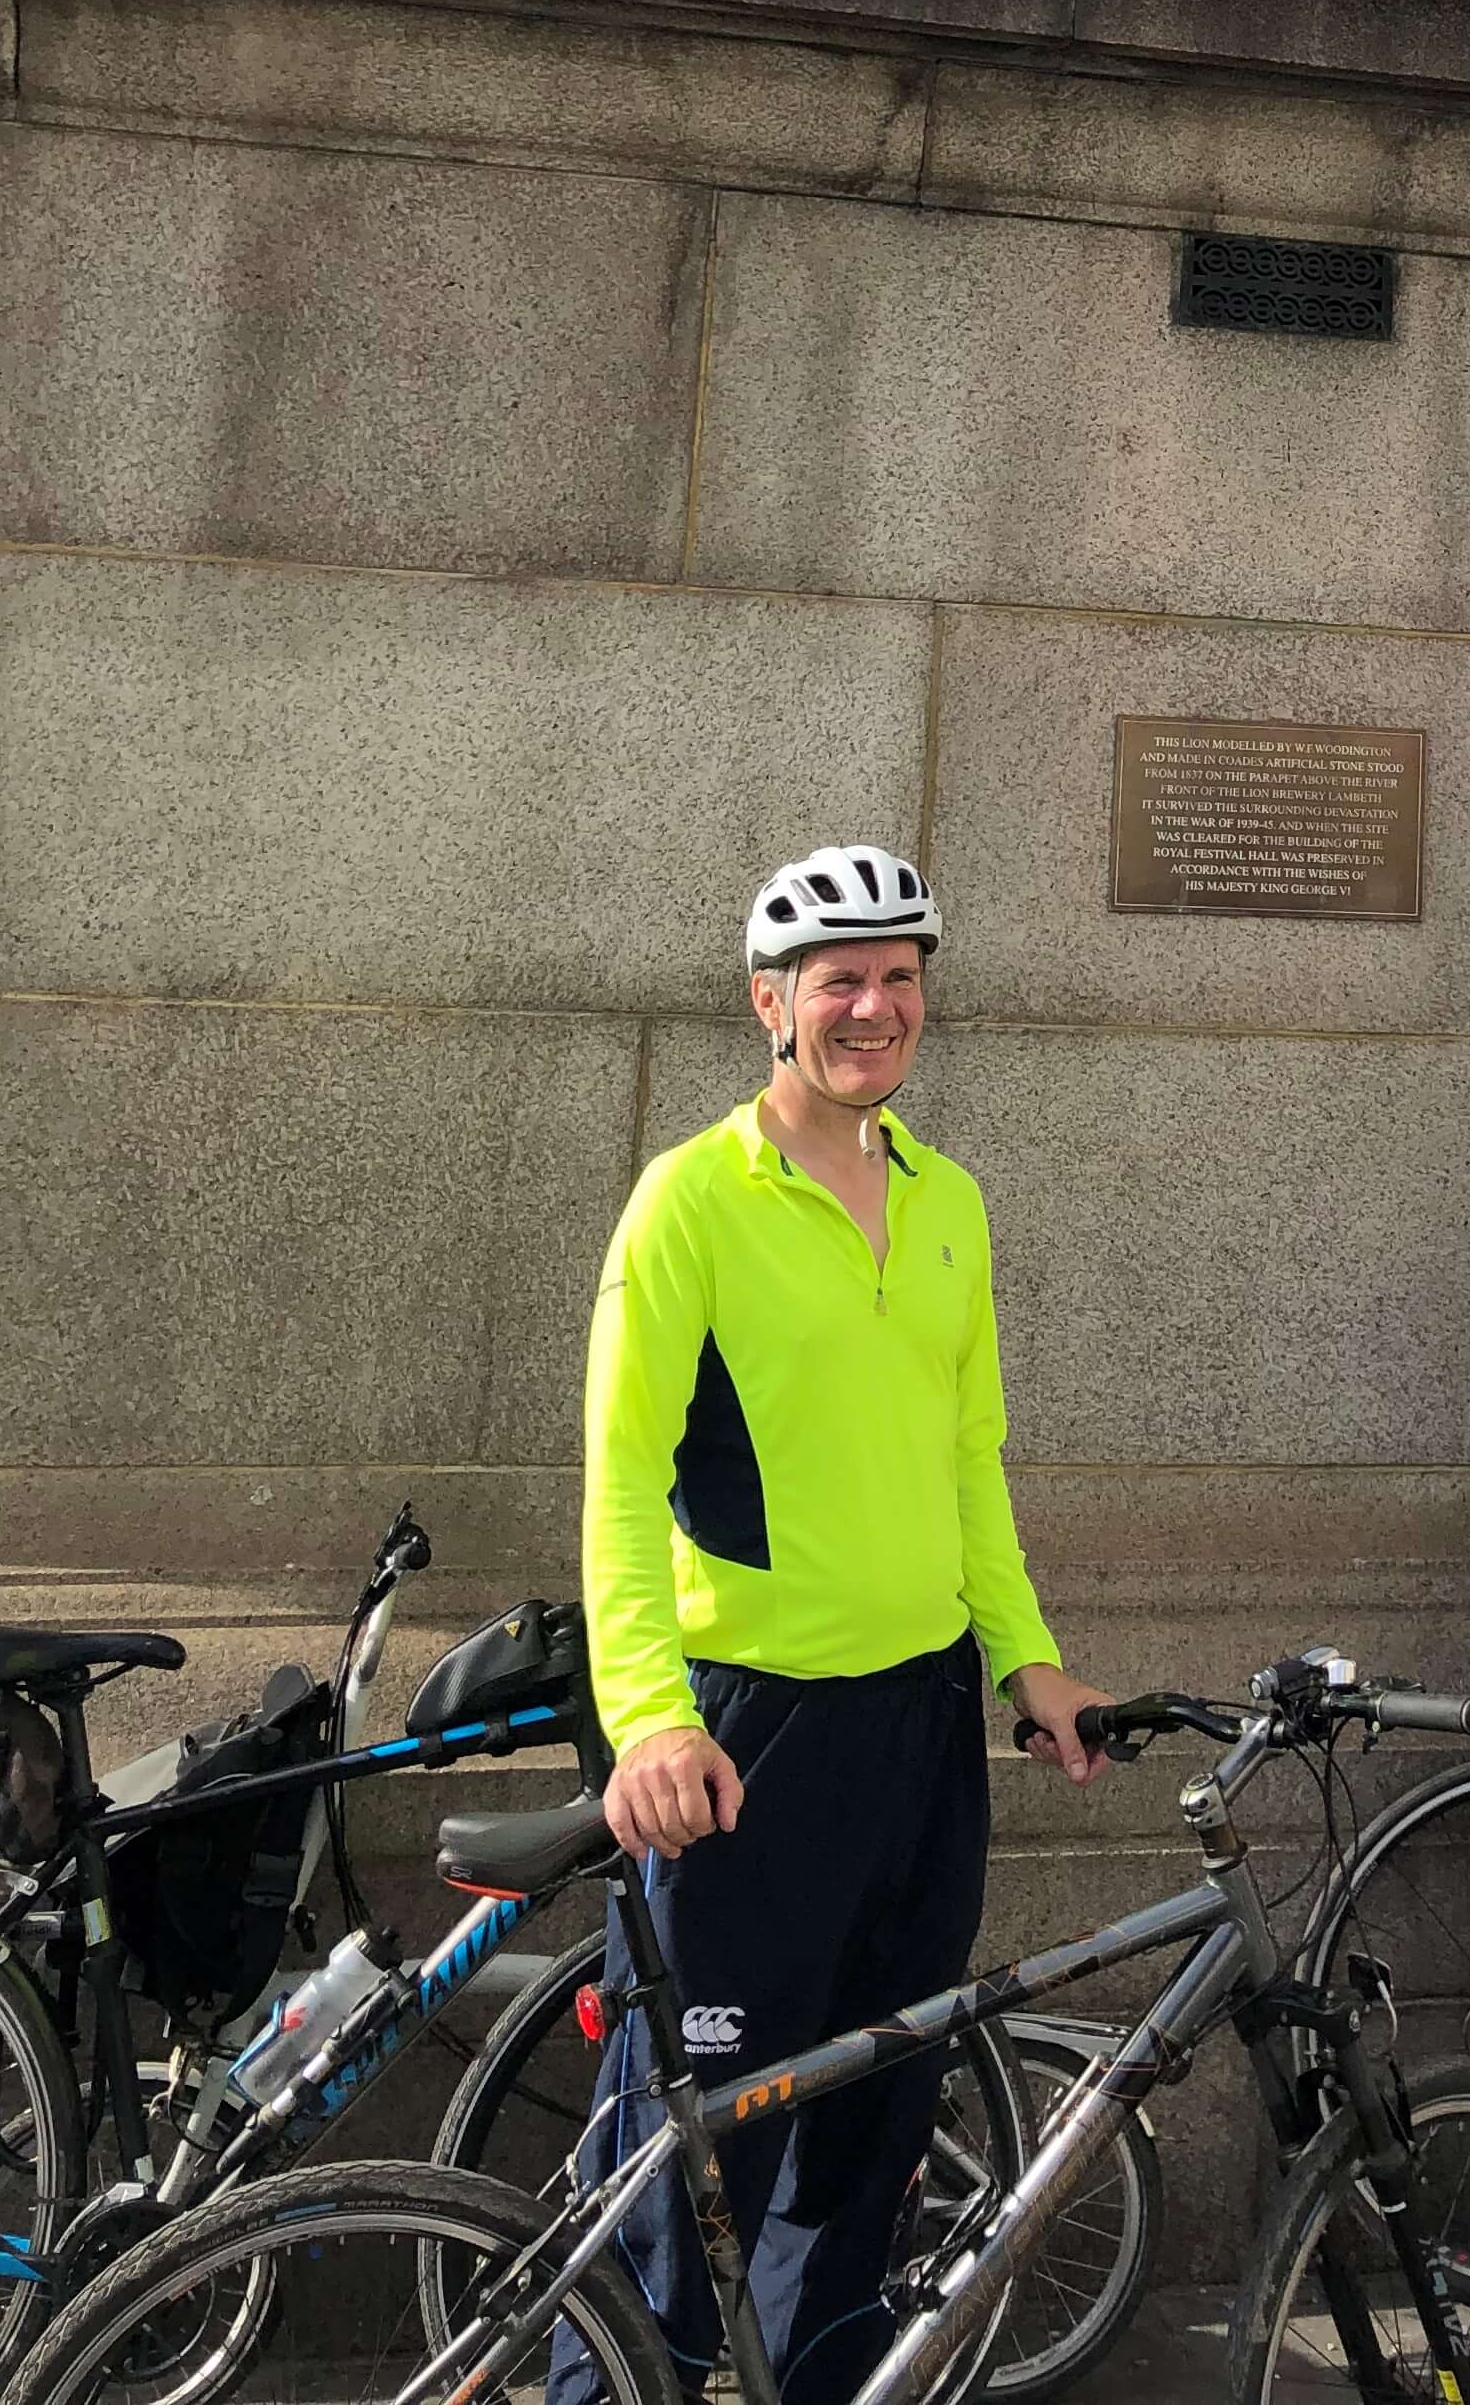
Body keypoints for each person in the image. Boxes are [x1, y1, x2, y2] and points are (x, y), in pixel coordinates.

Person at [564, 844, 1110, 2405]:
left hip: (924, 1728)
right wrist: (649, 1717)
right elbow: (616, 1484)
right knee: (678, 2157)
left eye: (899, 980)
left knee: (871, 2147)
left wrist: (1026, 1658)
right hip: (751, 1735)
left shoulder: (952, 1203)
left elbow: (966, 1459)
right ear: (769, 1005)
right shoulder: (691, 1201)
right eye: (838, 982)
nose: (873, 1008)